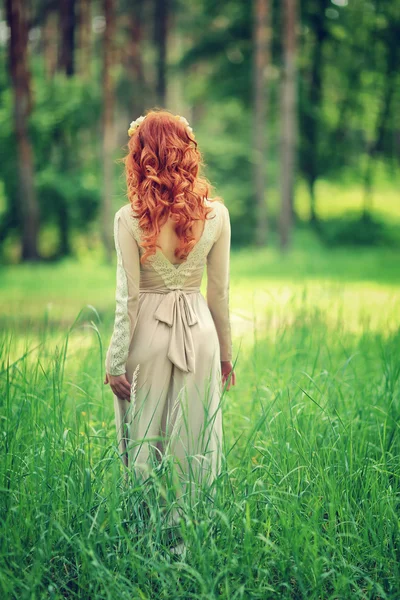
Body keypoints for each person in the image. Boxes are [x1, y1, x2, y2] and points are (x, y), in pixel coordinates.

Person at [103, 109, 235, 531]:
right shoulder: (217, 215)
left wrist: (114, 360)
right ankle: (191, 531)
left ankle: (145, 531)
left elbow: (129, 297)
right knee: (194, 434)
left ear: (140, 155)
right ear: (187, 152)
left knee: (145, 435)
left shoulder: (129, 218)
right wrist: (226, 355)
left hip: (148, 334)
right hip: (201, 335)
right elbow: (219, 293)